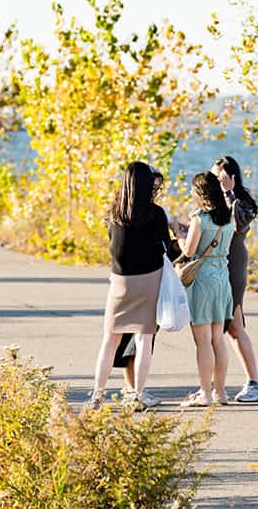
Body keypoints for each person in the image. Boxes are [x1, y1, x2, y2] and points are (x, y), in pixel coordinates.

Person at [88, 162, 170, 411]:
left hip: (120, 282)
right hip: (149, 281)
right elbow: (166, 245)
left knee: (110, 339)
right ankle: (138, 394)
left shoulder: (114, 215)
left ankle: (97, 395)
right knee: (144, 339)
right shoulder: (155, 214)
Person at [212, 156, 258, 402]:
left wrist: (228, 194)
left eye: (220, 177)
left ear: (232, 178)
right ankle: (212, 386)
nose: (216, 182)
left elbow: (237, 225)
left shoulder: (242, 203)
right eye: (213, 177)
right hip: (215, 265)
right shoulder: (213, 201)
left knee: (234, 324)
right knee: (217, 328)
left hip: (233, 263)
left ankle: (254, 383)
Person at [177, 172, 235, 407]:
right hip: (223, 277)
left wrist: (178, 236)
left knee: (202, 341)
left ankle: (205, 392)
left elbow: (189, 252)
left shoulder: (200, 219)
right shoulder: (230, 217)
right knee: (218, 339)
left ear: (200, 194)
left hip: (202, 279)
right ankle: (220, 392)